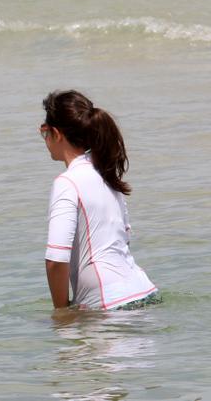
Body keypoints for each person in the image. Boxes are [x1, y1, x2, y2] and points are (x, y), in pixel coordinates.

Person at [40, 90, 160, 310]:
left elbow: (56, 260)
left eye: (44, 131)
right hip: (145, 293)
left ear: (56, 133)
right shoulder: (107, 176)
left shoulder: (67, 182)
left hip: (108, 303)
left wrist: (61, 313)